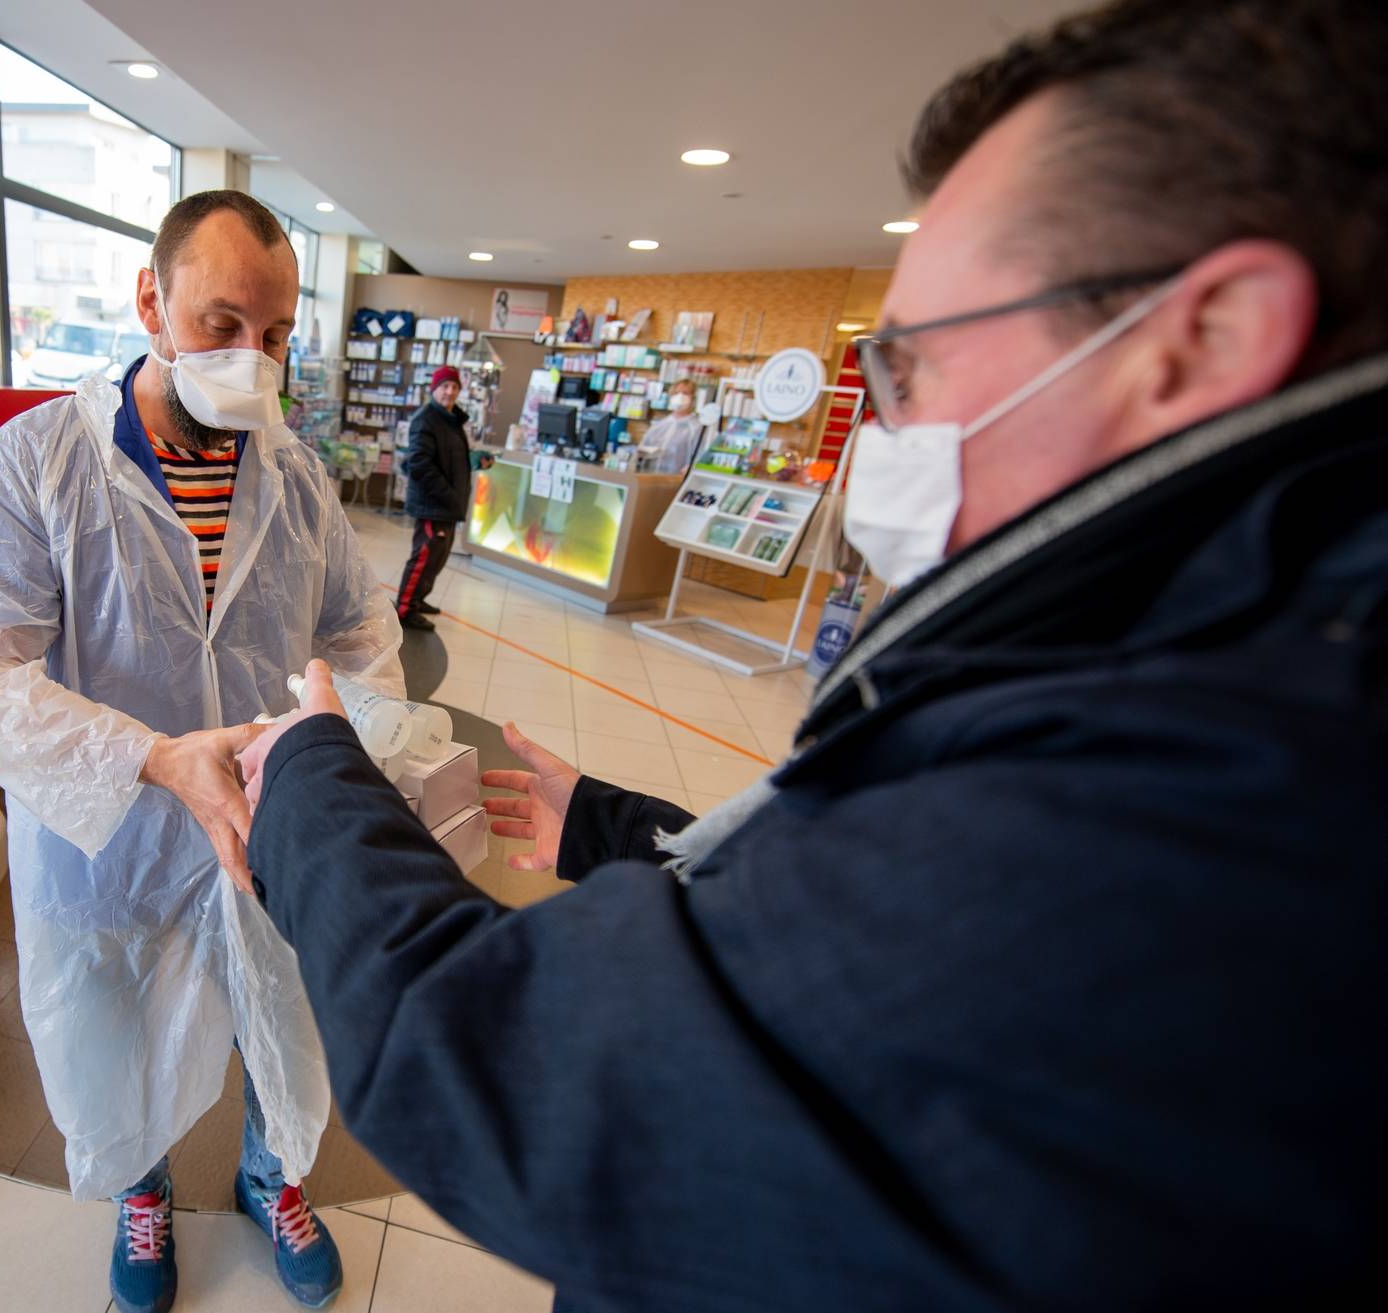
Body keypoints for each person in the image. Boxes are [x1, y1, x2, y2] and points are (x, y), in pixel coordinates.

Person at [234, 2, 1387, 1309]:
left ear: (1204, 340)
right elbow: (839, 915)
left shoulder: (1219, 806)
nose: (885, 427)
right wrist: (614, 826)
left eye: (917, 364)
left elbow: (521, 1071)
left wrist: (311, 777)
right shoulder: (1201, 661)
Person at [0, 189, 402, 1313]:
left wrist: (347, 741)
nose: (251, 359)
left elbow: (361, 630)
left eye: (275, 335)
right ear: (151, 300)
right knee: (110, 1017)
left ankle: (271, 1175)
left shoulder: (294, 475)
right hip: (110, 832)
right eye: (220, 323)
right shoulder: (37, 463)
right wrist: (150, 756)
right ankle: (141, 1190)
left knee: (282, 1006)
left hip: (266, 816)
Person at [396, 365, 478, 629]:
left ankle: (418, 599)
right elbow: (420, 464)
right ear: (434, 389)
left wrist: (476, 461)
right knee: (424, 557)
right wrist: (448, 494)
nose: (450, 392)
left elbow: (449, 458)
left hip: (447, 504)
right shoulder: (426, 419)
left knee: (437, 558)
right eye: (445, 386)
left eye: (454, 387)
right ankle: (405, 608)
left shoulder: (451, 419)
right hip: (433, 503)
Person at [637, 383, 702, 474]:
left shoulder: (696, 428)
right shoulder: (659, 426)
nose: (680, 397)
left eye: (685, 393)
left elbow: (700, 457)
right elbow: (642, 450)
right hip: (649, 476)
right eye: (676, 393)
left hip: (677, 479)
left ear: (693, 398)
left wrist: (691, 468)